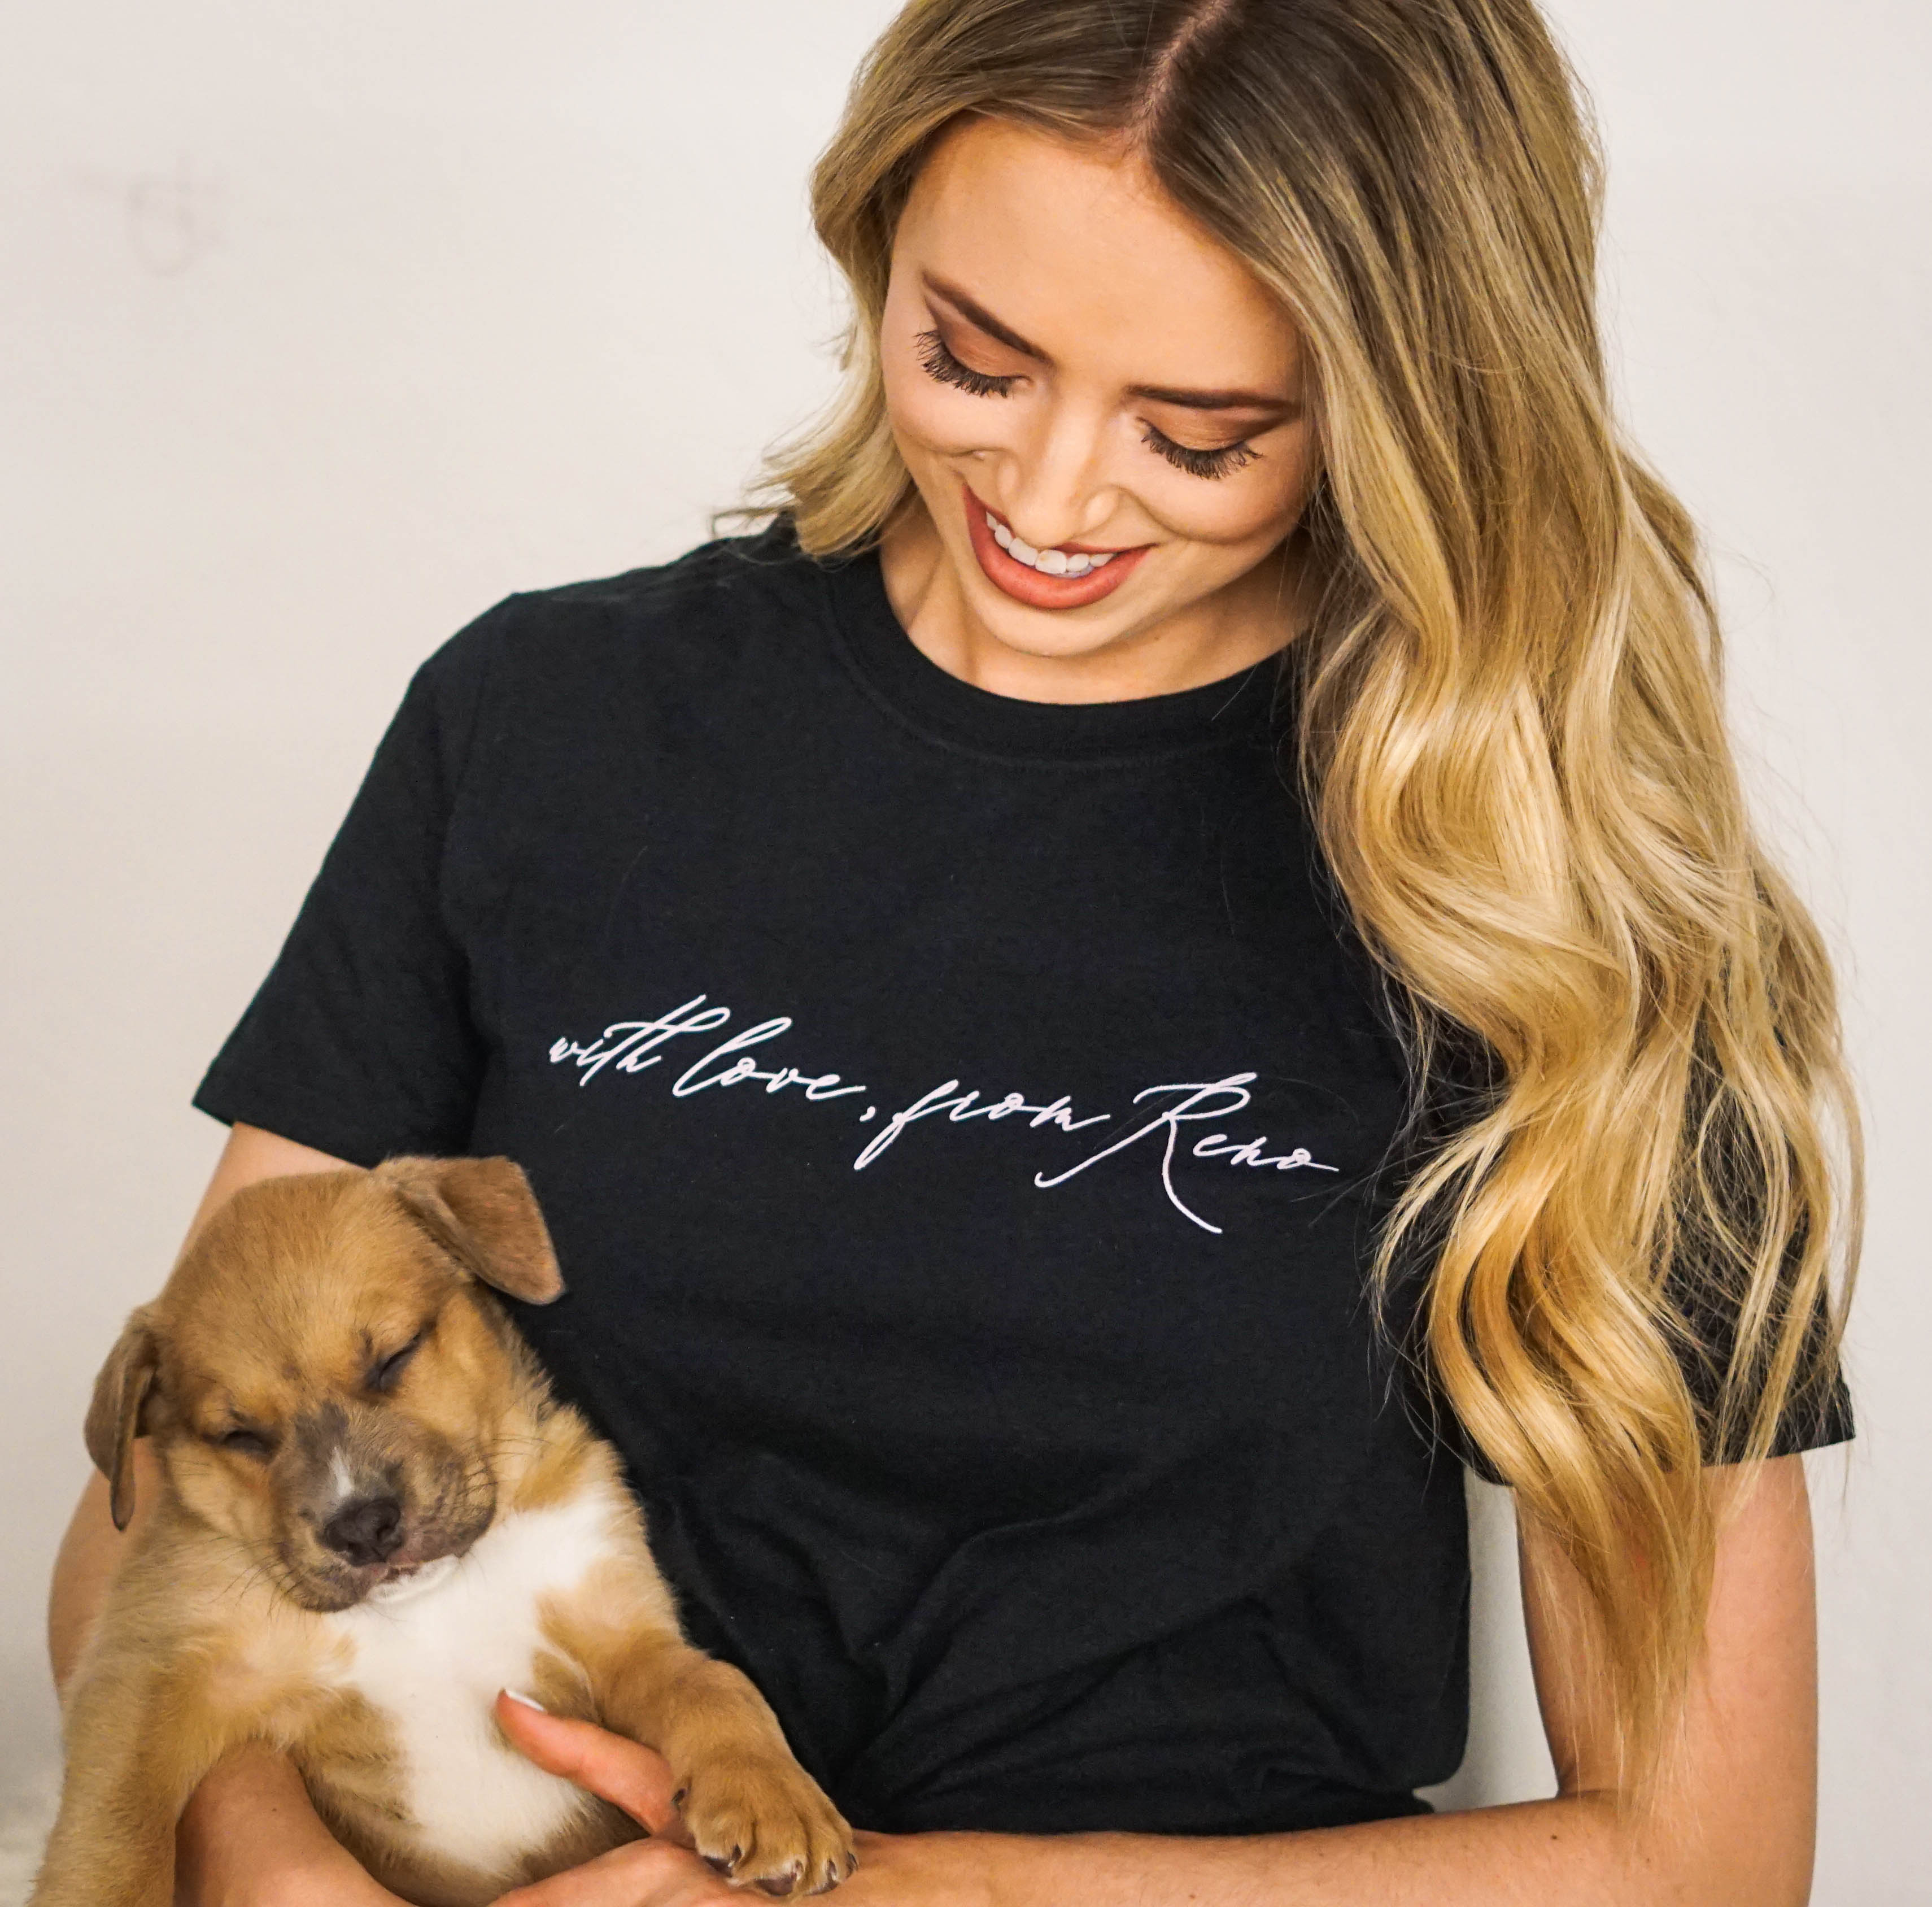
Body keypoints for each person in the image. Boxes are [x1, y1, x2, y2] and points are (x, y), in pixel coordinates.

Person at [49, 1, 1859, 1902]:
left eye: (1200, 433)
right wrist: (279, 1876)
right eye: (973, 359)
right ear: (874, 241)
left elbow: (1704, 1851)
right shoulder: (546, 724)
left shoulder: (1564, 906)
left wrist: (941, 1893)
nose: (1056, 499)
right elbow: (158, 1521)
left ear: (1409, 411)